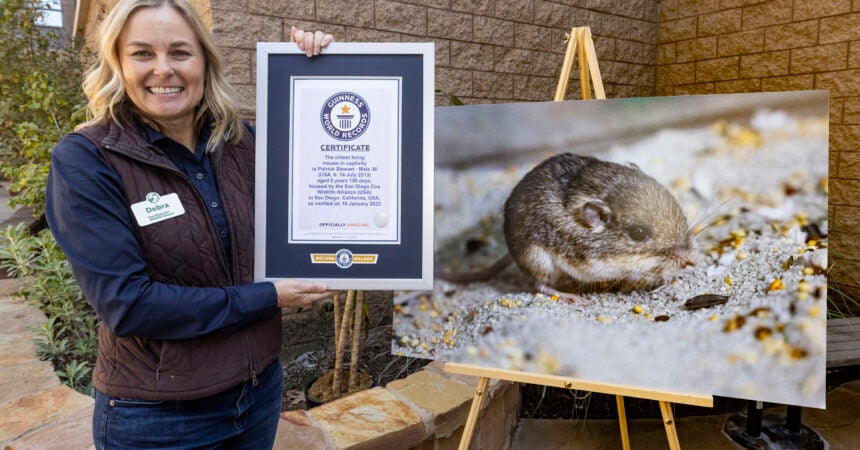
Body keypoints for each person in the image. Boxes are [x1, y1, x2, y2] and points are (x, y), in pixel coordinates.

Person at [44, 0, 335, 448]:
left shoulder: (244, 142)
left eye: (180, 52)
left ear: (204, 61)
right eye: (142, 53)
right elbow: (128, 305)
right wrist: (269, 296)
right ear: (118, 64)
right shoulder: (88, 159)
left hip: (258, 393)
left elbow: (328, 162)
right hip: (159, 418)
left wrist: (320, 71)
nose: (163, 69)